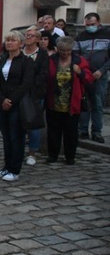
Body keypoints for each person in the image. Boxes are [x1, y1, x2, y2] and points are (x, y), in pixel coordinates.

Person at [0, 31, 34, 182]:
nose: (9, 42)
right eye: (7, 40)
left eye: (13, 40)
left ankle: (15, 169)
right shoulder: (1, 61)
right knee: (6, 137)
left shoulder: (26, 61)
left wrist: (11, 100)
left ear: (21, 44)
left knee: (16, 137)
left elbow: (26, 84)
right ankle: (6, 166)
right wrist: (2, 99)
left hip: (17, 104)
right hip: (3, 103)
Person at [45, 36, 93, 165]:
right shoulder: (51, 60)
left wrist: (80, 73)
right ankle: (53, 154)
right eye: (62, 50)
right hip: (54, 101)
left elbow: (89, 78)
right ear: (57, 49)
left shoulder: (79, 60)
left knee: (71, 132)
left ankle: (70, 156)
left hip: (72, 102)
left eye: (68, 51)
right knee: (53, 131)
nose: (65, 53)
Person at [74, 12, 110, 143]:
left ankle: (96, 131)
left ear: (98, 22)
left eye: (92, 25)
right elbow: (75, 55)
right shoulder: (81, 36)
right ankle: (83, 130)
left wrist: (102, 70)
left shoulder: (107, 35)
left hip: (100, 75)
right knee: (84, 102)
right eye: (87, 25)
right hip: (85, 74)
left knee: (97, 103)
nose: (89, 27)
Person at [22, 26, 49, 164]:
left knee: (34, 124)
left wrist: (30, 87)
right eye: (26, 35)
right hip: (19, 94)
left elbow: (42, 74)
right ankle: (18, 150)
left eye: (31, 35)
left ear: (38, 39)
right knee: (18, 124)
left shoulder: (42, 54)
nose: (28, 37)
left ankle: (32, 152)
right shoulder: (20, 52)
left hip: (35, 94)